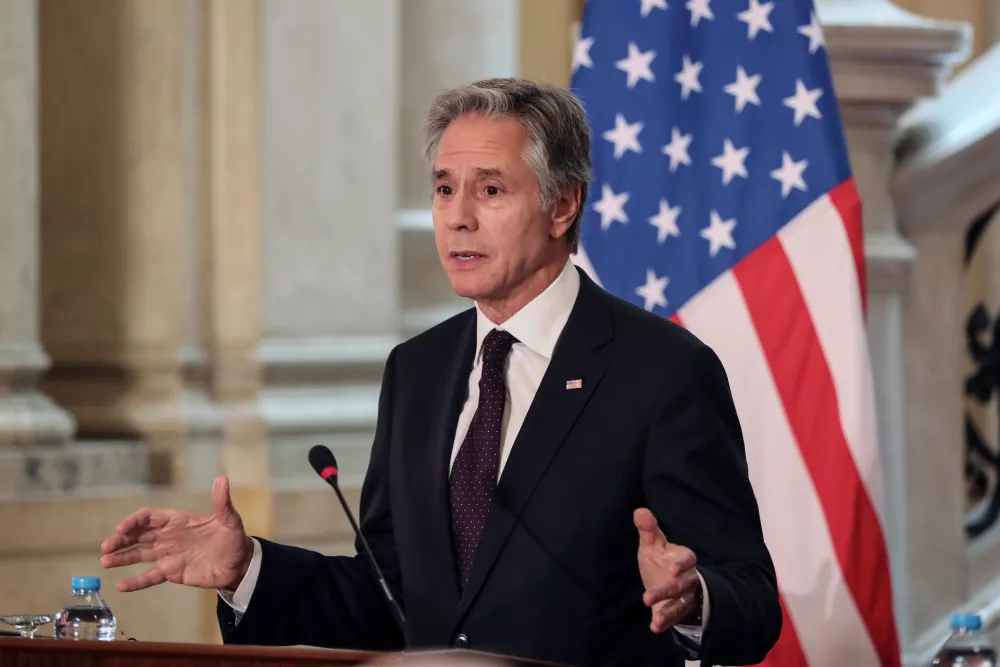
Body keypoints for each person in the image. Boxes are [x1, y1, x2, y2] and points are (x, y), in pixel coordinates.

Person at [100, 78, 781, 667]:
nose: (458, 218)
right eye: (444, 189)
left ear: (562, 206)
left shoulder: (661, 371)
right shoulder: (418, 370)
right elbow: (388, 594)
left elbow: (752, 599)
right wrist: (249, 569)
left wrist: (692, 597)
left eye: (491, 190)